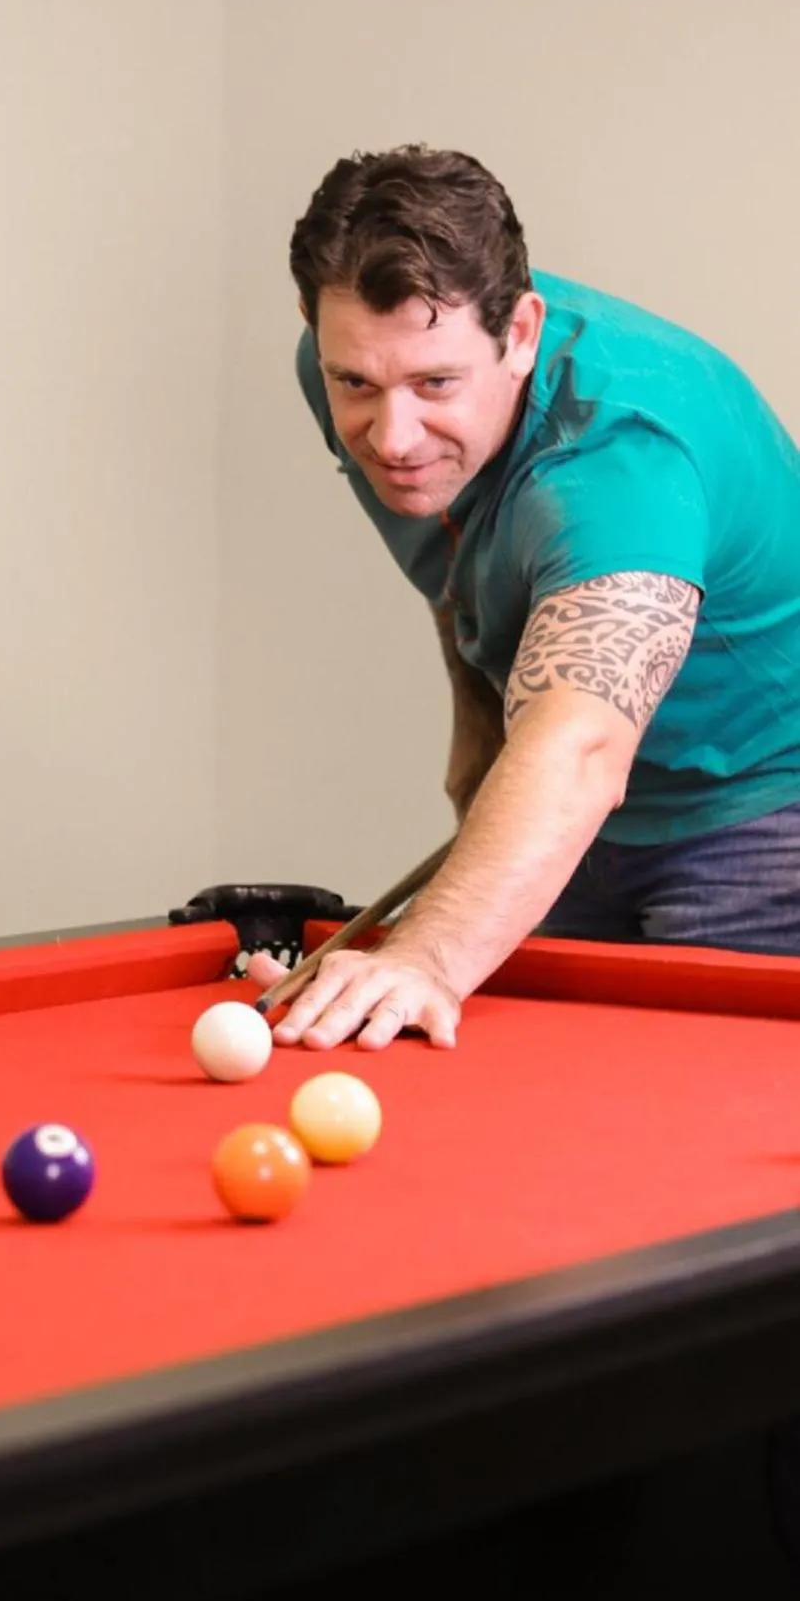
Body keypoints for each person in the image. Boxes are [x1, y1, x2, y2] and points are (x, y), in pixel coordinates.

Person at [249, 145, 800, 1061]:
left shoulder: (618, 462)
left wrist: (424, 952)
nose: (393, 437)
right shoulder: (346, 361)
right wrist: (478, 735)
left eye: (436, 385)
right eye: (358, 382)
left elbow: (581, 750)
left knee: (703, 1133)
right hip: (574, 812)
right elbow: (464, 558)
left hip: (764, 807)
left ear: (521, 332)